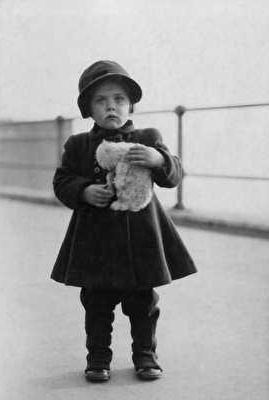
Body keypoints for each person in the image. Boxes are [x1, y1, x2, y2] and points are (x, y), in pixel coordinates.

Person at [51, 60, 197, 382]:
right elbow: (62, 182)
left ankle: (145, 357)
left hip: (140, 243)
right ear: (88, 109)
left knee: (143, 303)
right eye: (100, 101)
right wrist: (85, 191)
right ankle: (98, 359)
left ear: (131, 104)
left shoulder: (147, 137)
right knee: (96, 305)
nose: (111, 107)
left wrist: (159, 159)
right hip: (96, 244)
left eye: (118, 99)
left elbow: (175, 175)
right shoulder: (78, 145)